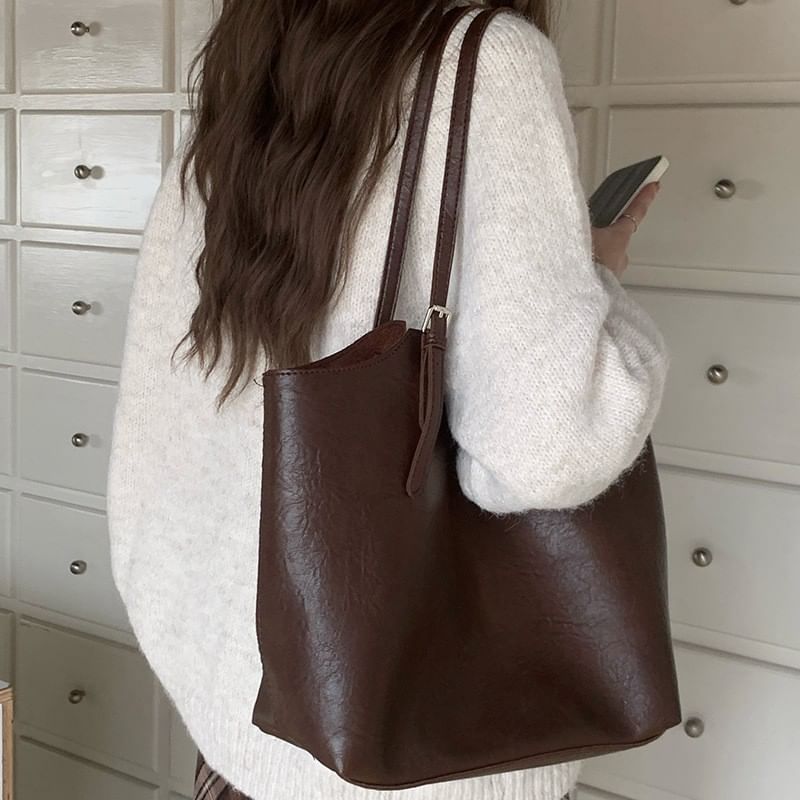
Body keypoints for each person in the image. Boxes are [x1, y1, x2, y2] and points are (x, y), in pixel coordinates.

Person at [107, 2, 666, 800]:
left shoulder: (250, 67)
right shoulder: (487, 60)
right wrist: (598, 273)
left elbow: (167, 424)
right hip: (414, 765)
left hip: (241, 726)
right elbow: (549, 449)